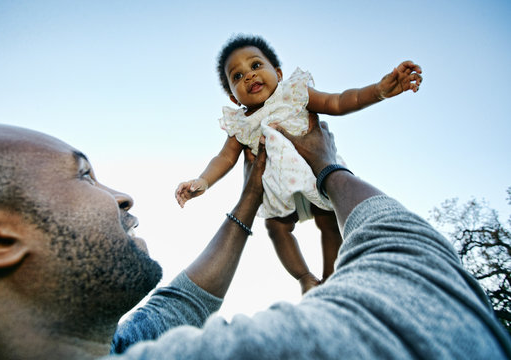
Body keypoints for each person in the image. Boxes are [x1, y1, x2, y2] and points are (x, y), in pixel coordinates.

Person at [0, 122, 266, 360]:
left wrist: (250, 197)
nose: (124, 198)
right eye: (85, 176)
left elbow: (183, 305)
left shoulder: (121, 347)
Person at [175, 34, 423, 293]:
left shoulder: (294, 94)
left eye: (256, 65)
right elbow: (224, 158)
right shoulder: (241, 123)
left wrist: (378, 91)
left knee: (328, 219)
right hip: (276, 191)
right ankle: (304, 277)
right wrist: (203, 181)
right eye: (237, 76)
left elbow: (337, 101)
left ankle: (331, 274)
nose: (248, 75)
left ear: (279, 73)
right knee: (276, 227)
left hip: (312, 175)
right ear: (233, 98)